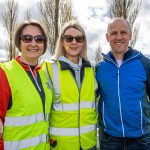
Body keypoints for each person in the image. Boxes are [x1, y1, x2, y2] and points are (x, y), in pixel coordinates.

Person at [42, 20, 98, 150]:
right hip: (61, 144)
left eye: (79, 38)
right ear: (62, 41)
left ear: (83, 42)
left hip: (89, 144)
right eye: (69, 38)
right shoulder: (48, 68)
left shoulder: (92, 70)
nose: (74, 42)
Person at [96, 17, 150, 150]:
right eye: (114, 33)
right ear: (107, 37)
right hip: (110, 139)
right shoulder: (99, 68)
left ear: (130, 35)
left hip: (141, 139)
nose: (118, 37)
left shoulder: (145, 64)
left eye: (123, 32)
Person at [0, 20, 52, 150]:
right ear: (19, 42)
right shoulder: (5, 72)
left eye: (39, 39)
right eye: (27, 38)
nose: (33, 43)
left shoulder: (44, 74)